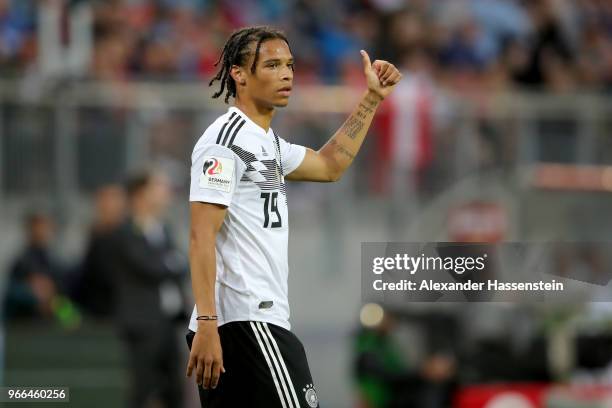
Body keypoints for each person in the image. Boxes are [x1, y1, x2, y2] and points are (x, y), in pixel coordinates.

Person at [186, 25, 402, 408]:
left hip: (244, 324)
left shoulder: (266, 142)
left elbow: (330, 165)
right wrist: (207, 324)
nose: (286, 74)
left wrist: (371, 99)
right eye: (271, 65)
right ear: (238, 74)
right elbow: (201, 236)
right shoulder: (224, 143)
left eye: (289, 64)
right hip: (247, 322)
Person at [110, 170, 188, 408]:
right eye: (157, 187)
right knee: (142, 388)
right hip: (143, 324)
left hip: (169, 322)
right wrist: (170, 263)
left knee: (175, 388)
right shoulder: (125, 232)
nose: (164, 193)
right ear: (140, 194)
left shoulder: (163, 229)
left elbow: (182, 265)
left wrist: (170, 264)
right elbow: (152, 268)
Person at [3, 212, 65, 320]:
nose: (42, 232)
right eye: (38, 228)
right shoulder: (21, 262)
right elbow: (11, 294)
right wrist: (32, 293)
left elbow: (59, 297)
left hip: (51, 322)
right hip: (26, 325)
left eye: (45, 228)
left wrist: (69, 318)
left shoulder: (52, 262)